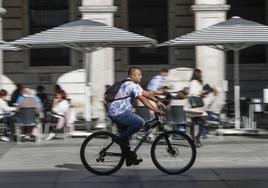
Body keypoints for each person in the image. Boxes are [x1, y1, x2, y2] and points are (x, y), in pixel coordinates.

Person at [107, 67, 166, 166]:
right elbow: (142, 99)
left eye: (141, 74)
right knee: (140, 122)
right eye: (139, 74)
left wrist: (157, 101)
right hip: (118, 112)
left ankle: (129, 158)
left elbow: (146, 93)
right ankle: (119, 139)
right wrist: (156, 110)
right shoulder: (130, 85)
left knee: (127, 135)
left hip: (119, 111)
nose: (141, 76)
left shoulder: (134, 85)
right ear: (132, 75)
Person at [188, 68, 208, 147]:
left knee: (202, 120)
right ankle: (194, 139)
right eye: (200, 73)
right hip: (194, 104)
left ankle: (197, 138)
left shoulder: (199, 82)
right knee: (193, 122)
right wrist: (201, 93)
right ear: (197, 74)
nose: (201, 75)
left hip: (199, 104)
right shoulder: (193, 82)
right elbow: (192, 93)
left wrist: (202, 93)